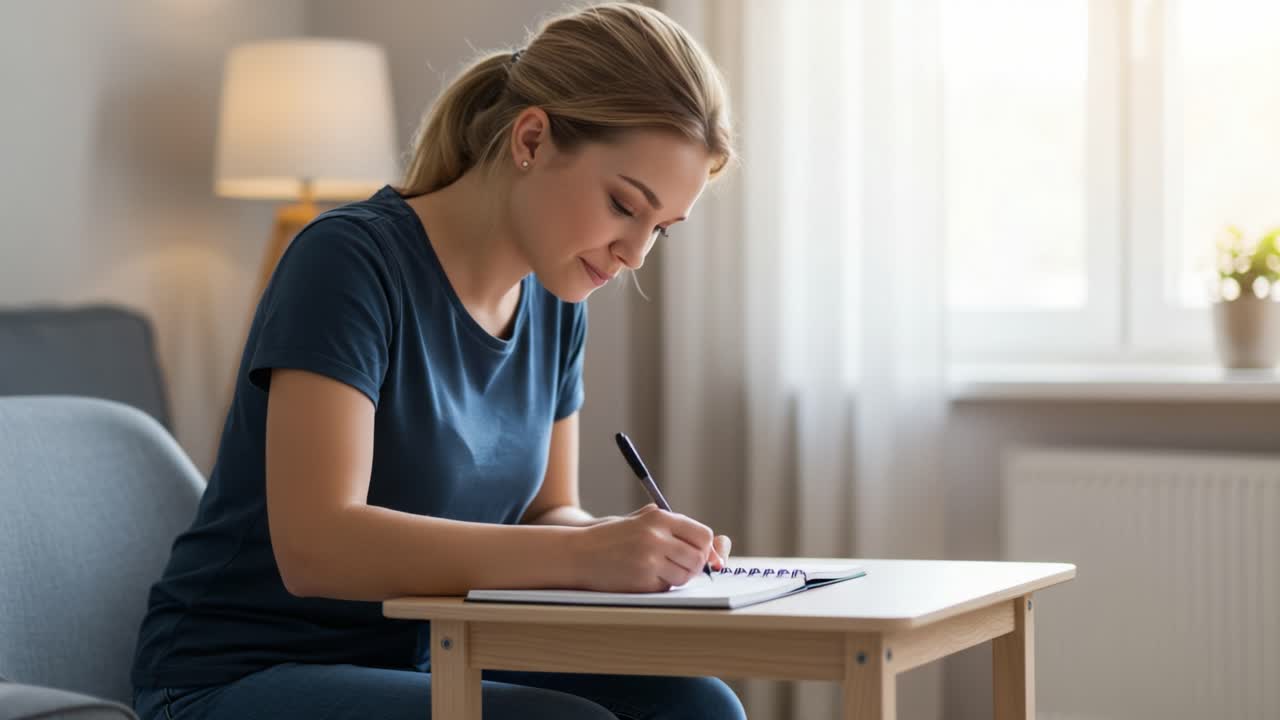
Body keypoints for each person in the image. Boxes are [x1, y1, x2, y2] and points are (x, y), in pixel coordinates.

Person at [130, 3, 744, 718]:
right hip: (235, 675)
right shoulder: (347, 263)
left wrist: (634, 548)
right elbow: (316, 546)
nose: (634, 254)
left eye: (660, 230)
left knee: (699, 708)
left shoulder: (557, 301)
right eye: (622, 205)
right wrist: (586, 557)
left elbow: (546, 513)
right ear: (533, 138)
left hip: (426, 660)